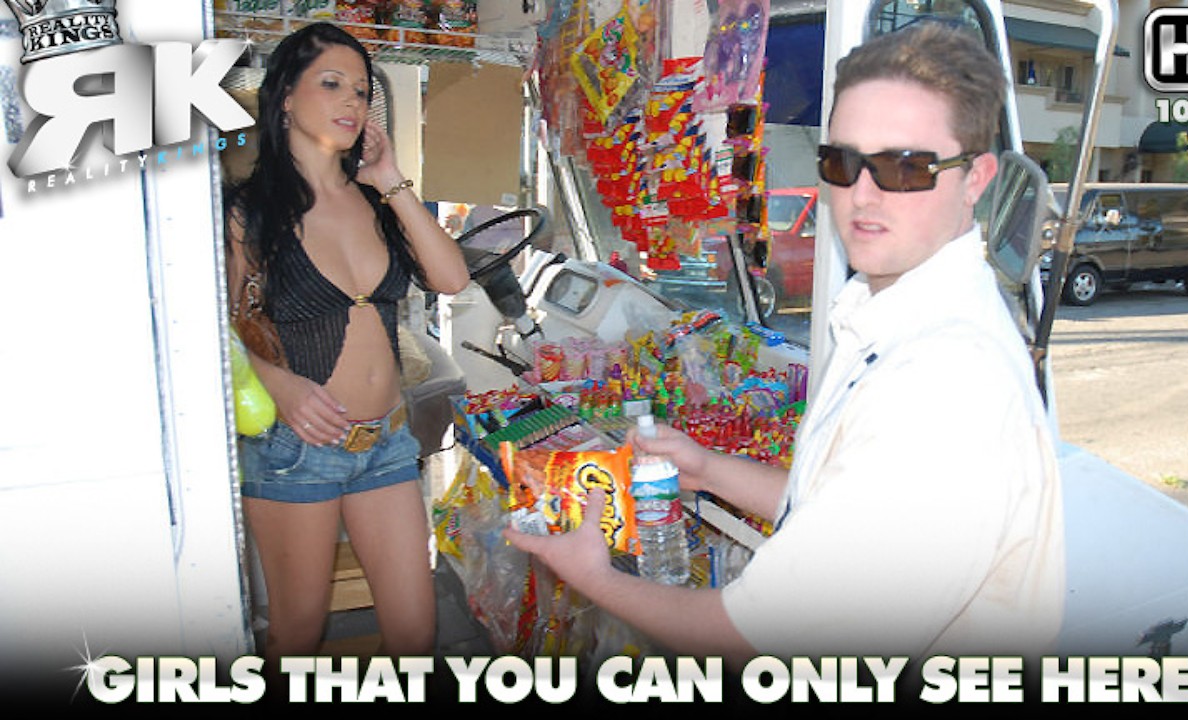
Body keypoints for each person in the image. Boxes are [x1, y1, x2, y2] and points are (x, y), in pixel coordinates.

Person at [504, 21, 1065, 668]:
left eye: (904, 167)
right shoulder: (890, 316)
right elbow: (841, 518)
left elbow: (747, 636)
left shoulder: (941, 382)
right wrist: (709, 469)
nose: (861, 195)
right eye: (842, 163)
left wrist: (592, 576)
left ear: (976, 178)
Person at [224, 22, 469, 684]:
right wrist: (278, 383)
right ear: (284, 99)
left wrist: (390, 178)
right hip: (296, 450)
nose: (352, 102)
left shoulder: (375, 200)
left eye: (361, 91)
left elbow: (452, 279)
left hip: (385, 442)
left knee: (415, 633)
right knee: (298, 634)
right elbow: (214, 329)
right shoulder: (248, 213)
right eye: (331, 84)